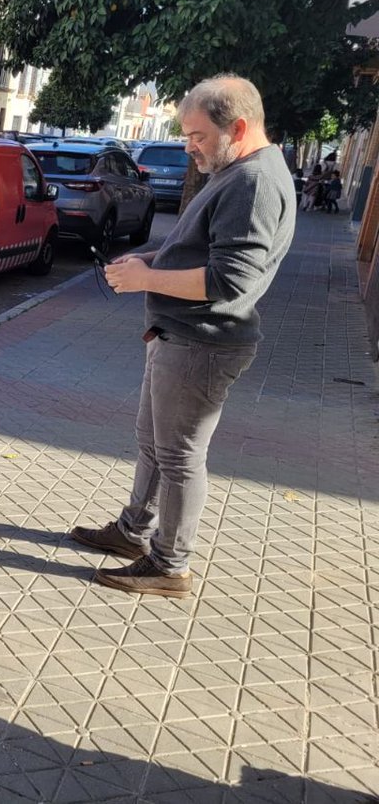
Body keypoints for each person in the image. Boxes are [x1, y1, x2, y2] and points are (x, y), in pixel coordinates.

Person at [70, 74, 295, 598]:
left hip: (204, 343)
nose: (189, 147)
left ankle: (169, 565)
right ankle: (133, 533)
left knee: (179, 457)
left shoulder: (252, 182)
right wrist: (148, 260)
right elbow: (201, 252)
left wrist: (146, 279)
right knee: (154, 444)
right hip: (181, 336)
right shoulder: (238, 171)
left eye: (198, 136)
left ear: (237, 128)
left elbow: (230, 280)